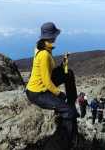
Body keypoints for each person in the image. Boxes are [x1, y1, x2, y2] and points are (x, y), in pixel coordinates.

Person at [26, 22, 78, 150]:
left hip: (42, 85)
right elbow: (46, 81)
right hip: (37, 92)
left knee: (68, 72)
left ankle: (71, 101)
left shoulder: (43, 47)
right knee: (69, 112)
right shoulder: (44, 54)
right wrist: (58, 93)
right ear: (52, 36)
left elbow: (51, 73)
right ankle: (68, 143)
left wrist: (65, 61)